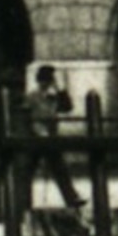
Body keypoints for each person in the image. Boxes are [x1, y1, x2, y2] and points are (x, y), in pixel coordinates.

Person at [25, 63, 86, 211]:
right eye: (46, 80)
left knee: (59, 168)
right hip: (34, 138)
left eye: (50, 80)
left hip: (50, 139)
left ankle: (71, 198)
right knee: (27, 171)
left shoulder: (53, 98)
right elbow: (27, 118)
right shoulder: (32, 97)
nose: (47, 84)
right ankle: (23, 202)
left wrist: (61, 90)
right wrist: (37, 131)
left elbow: (67, 107)